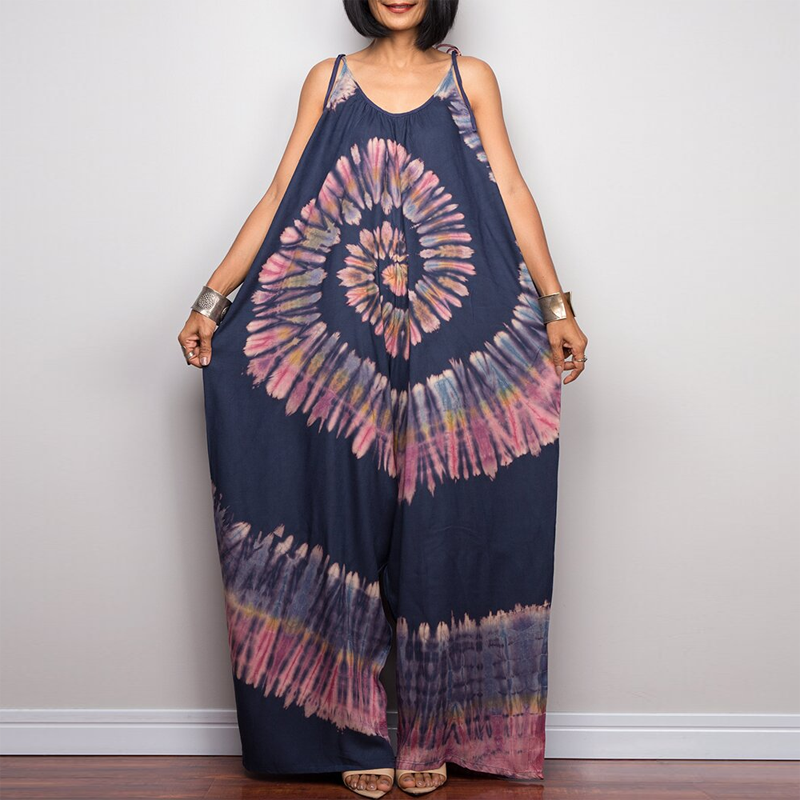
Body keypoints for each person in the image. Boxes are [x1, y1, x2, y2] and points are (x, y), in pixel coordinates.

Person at [177, 0, 588, 796]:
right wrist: (212, 300)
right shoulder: (327, 81)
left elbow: (510, 191)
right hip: (338, 336)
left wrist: (555, 307)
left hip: (458, 331)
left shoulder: (472, 80)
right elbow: (280, 194)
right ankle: (345, 733)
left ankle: (436, 731)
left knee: (448, 522)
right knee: (333, 522)